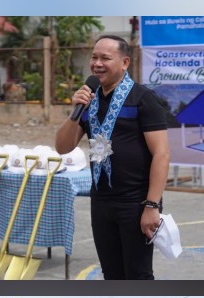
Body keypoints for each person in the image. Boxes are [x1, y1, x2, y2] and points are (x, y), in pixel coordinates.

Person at [54, 35, 169, 280]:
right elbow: (62, 147)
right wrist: (75, 111)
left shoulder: (142, 99)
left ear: (125, 62)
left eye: (105, 58)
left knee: (138, 275)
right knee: (112, 275)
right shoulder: (89, 102)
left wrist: (152, 205)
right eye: (94, 57)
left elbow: (161, 154)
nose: (97, 64)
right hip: (102, 202)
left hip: (135, 203)